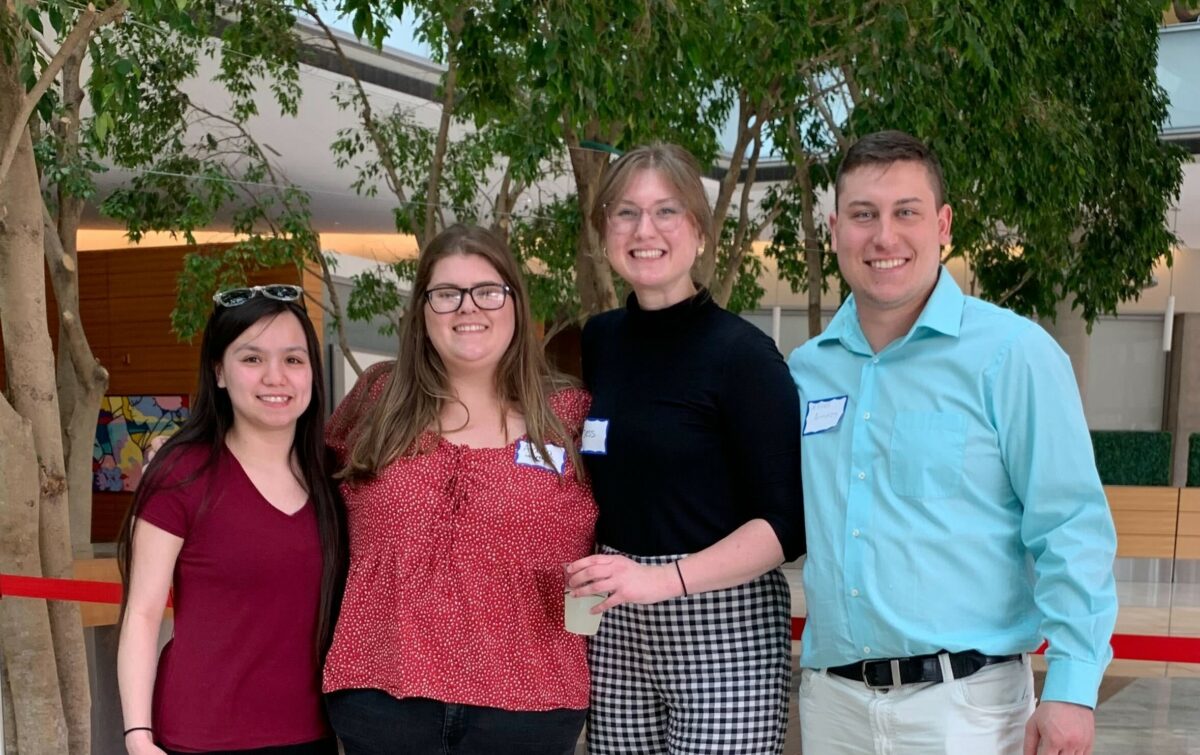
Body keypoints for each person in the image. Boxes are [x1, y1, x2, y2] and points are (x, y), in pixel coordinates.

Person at [788, 130, 1118, 754]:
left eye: (905, 212)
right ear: (835, 230)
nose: (884, 237)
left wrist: (1072, 690)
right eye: (863, 215)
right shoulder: (806, 372)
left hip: (966, 713)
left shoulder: (1012, 356)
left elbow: (1070, 525)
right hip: (833, 709)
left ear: (942, 225)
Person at [564, 143, 805, 755]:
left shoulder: (743, 356)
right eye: (625, 213)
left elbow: (786, 525)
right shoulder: (594, 343)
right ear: (605, 232)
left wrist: (664, 580)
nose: (645, 230)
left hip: (723, 621)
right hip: (614, 620)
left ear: (699, 230)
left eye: (666, 211)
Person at [322, 224, 596, 755]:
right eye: (446, 294)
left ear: (515, 302)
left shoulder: (571, 416)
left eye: (488, 291)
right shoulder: (377, 399)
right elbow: (301, 485)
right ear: (422, 312)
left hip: (530, 707)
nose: (468, 309)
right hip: (382, 695)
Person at [117, 284, 344, 755]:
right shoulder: (183, 474)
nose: (275, 377)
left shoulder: (335, 474)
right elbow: (141, 614)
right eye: (252, 359)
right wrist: (138, 737)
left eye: (293, 360)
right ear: (219, 372)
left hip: (314, 734)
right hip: (202, 737)